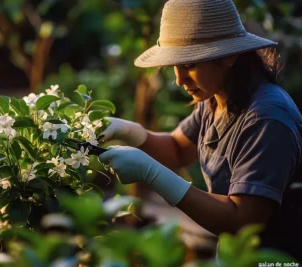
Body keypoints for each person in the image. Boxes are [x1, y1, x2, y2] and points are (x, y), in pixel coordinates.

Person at [98, 0, 302, 262]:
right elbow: (178, 149)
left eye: (189, 65)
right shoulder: (217, 98)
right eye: (176, 65)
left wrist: (151, 173)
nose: (179, 80)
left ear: (229, 56)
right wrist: (132, 132)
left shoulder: (267, 117)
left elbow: (241, 220)